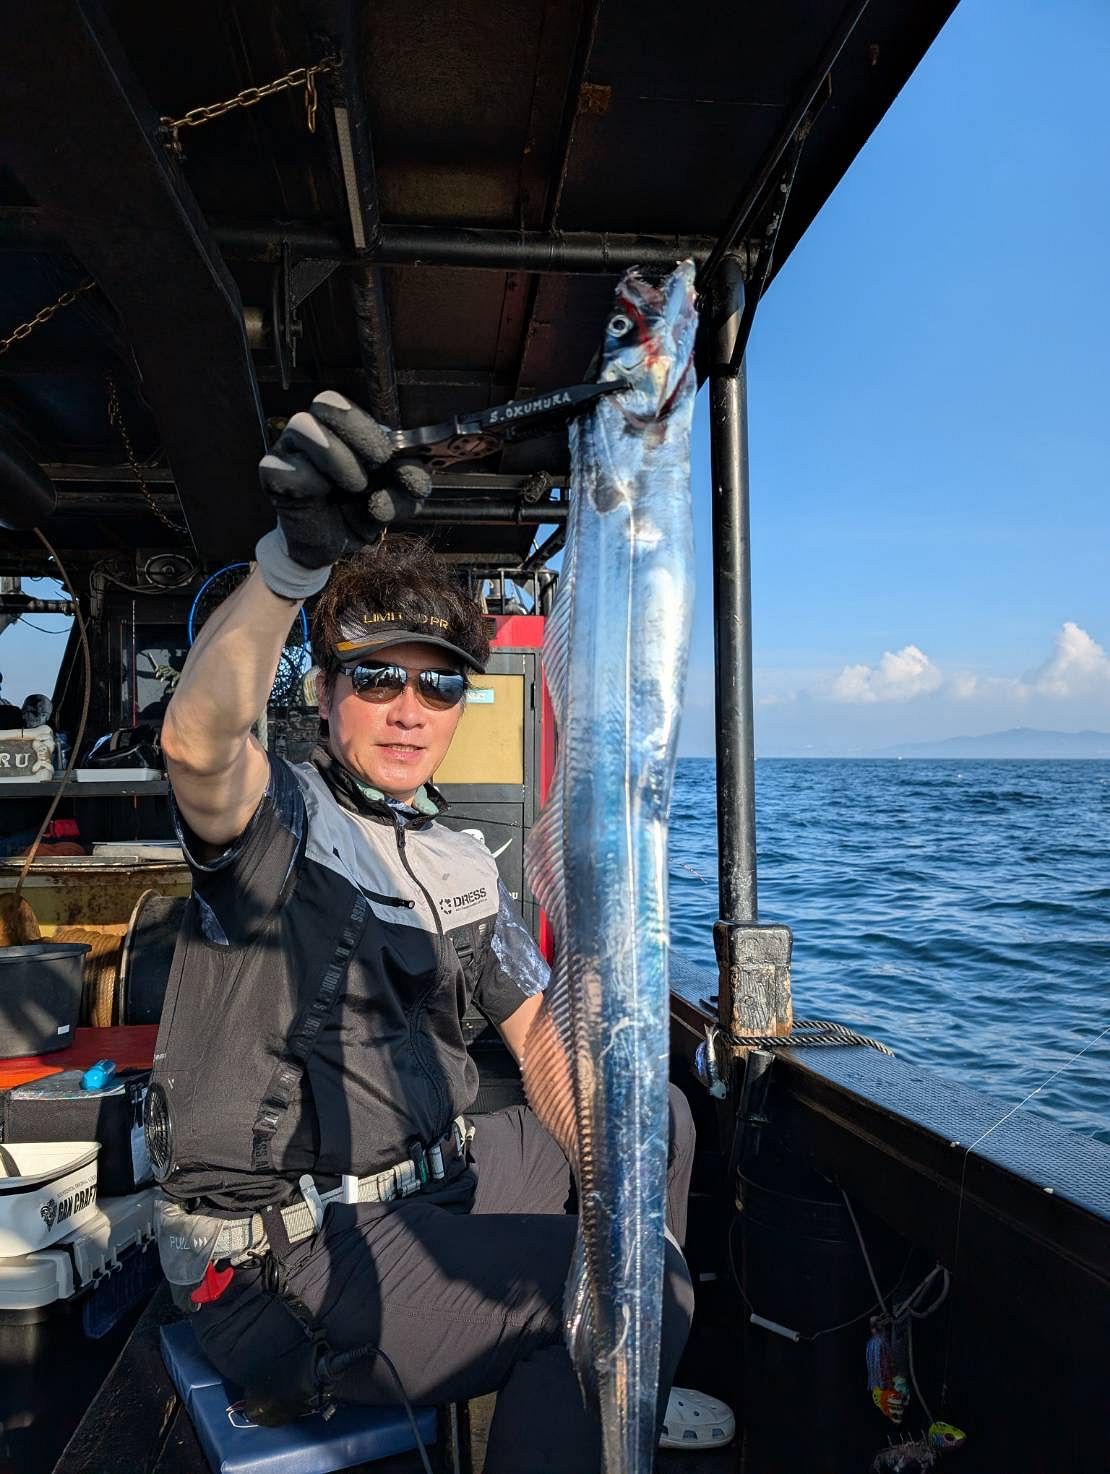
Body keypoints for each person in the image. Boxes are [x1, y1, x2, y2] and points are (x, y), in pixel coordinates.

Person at [149, 391, 733, 1470]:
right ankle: (614, 1352)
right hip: (283, 1263)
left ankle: (624, 1371)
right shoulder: (277, 820)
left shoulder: (459, 857)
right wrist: (290, 565)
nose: (410, 707)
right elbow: (197, 745)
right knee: (637, 1290)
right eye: (377, 675)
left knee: (658, 1127)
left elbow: (537, 1031)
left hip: (430, 1185)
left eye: (441, 683)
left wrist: (614, 1183)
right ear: (327, 690)